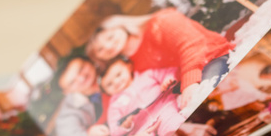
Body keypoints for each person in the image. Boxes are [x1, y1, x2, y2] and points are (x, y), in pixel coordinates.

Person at [85, 8, 232, 110]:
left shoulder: (161, 21)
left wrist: (189, 84)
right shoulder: (128, 66)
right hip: (184, 84)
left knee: (207, 95)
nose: (109, 46)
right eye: (100, 50)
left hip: (213, 58)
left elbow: (192, 46)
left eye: (110, 37)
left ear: (121, 25)